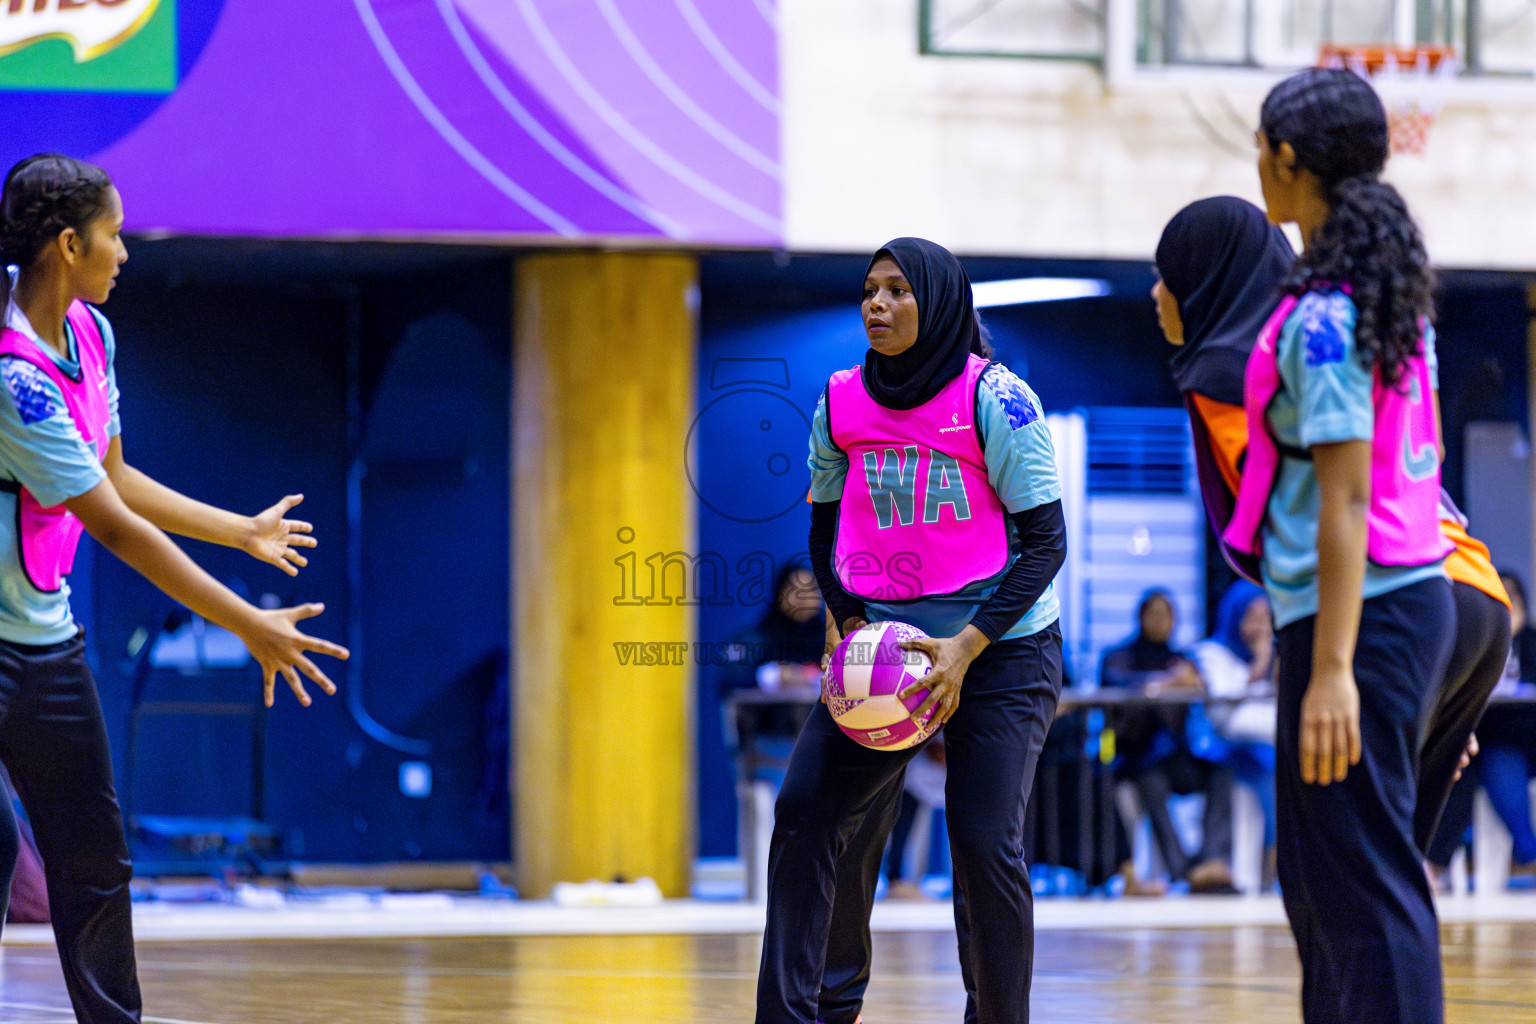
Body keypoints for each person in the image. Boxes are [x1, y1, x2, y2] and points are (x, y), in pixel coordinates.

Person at [0, 153, 348, 1022]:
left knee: (93, 858)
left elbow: (115, 477)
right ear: (69, 244)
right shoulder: (14, 380)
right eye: (114, 235)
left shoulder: (91, 335)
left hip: (45, 644)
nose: (125, 252)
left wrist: (241, 530)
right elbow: (114, 527)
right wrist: (249, 623)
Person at [1152, 194, 1511, 873]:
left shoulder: (1239, 371)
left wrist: (1346, 670)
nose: (1156, 293)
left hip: (1393, 598)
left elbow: (1325, 509)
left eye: (1166, 274)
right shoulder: (1352, 330)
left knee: (1340, 883)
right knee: (1384, 878)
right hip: (1468, 591)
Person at [756, 237, 1066, 1024]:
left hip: (1001, 647)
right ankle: (811, 1011)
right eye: (870, 289)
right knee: (809, 813)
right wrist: (853, 626)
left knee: (984, 842)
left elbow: (1047, 545)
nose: (877, 303)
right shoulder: (839, 400)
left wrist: (967, 648)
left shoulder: (999, 400)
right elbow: (825, 535)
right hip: (890, 648)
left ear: (940, 302)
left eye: (898, 289)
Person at [1223, 68, 1455, 1022]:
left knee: (1364, 884)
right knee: (1325, 883)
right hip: (1383, 607)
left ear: (1286, 157)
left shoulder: (1326, 318)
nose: (1257, 167)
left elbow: (1349, 498)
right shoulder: (1376, 295)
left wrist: (1331, 669)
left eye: (1259, 150)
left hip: (1368, 614)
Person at [1100, 588, 1237, 893]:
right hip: (1135, 758)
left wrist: (1191, 681)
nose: (1161, 621)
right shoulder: (1120, 657)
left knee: (1221, 772)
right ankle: (1182, 871)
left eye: (1167, 614)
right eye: (1154, 614)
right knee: (1151, 783)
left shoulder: (1182, 659)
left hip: (1176, 755)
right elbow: (1119, 687)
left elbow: (1202, 686)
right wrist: (1166, 683)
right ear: (1141, 617)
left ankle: (1211, 859)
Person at [1187, 579, 1277, 884]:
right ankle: (1267, 859)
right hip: (1216, 749)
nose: (1261, 627)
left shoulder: (1279, 658)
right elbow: (1225, 717)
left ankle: (1278, 861)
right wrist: (1259, 667)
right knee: (1263, 765)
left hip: (1264, 751)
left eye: (1266, 618)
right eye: (1253, 617)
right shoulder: (1211, 654)